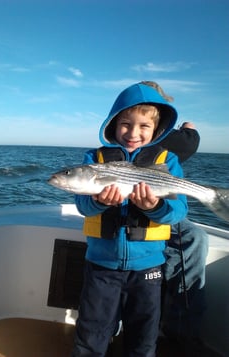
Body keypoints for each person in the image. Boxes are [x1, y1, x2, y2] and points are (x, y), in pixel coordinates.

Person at [71, 82, 188, 357]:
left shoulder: (168, 160)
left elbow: (179, 212)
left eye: (144, 126)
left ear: (156, 129)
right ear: (113, 124)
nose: (133, 133)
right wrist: (98, 201)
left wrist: (155, 207)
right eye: (125, 123)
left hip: (148, 267)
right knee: (91, 332)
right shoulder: (94, 159)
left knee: (143, 336)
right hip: (101, 265)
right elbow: (83, 207)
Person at [139, 82, 209, 352]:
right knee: (193, 238)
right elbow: (191, 140)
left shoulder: (163, 143)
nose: (137, 132)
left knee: (193, 237)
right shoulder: (178, 140)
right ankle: (179, 332)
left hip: (162, 207)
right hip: (125, 212)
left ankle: (177, 331)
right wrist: (189, 126)